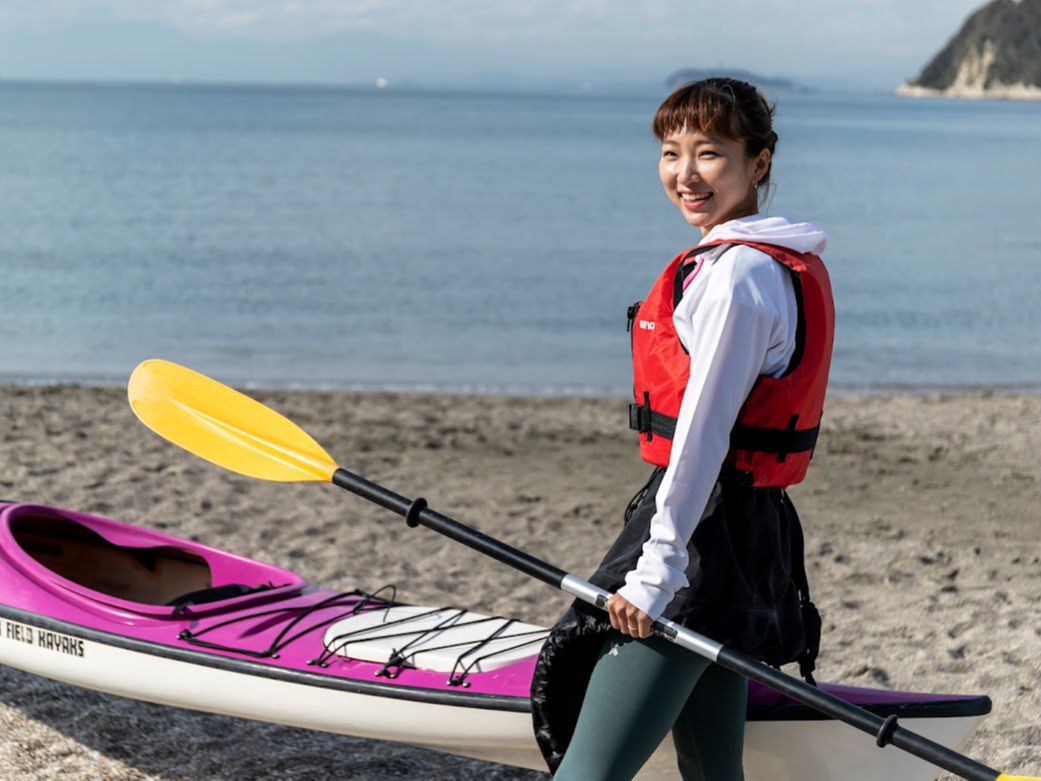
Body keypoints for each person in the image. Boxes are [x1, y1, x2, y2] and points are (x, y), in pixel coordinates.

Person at [530, 77, 835, 780]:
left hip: (699, 538)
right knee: (711, 772)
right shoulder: (770, 260)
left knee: (587, 772)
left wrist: (657, 569)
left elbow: (701, 437)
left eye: (710, 153)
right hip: (742, 534)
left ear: (759, 161)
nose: (685, 174)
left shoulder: (737, 279)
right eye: (671, 153)